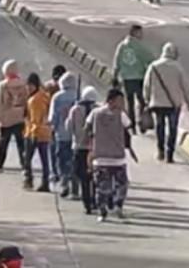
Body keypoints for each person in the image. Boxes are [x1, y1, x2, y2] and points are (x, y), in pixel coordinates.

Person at [142, 42, 189, 163]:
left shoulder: (154, 66)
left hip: (157, 103)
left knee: (160, 127)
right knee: (172, 128)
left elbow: (146, 84)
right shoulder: (177, 67)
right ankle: (169, 154)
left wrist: (147, 99)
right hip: (174, 104)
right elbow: (185, 86)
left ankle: (160, 151)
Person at [86, 89, 131, 222]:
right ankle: (118, 207)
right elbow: (129, 126)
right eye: (120, 101)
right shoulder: (121, 115)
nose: (121, 104)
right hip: (117, 158)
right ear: (111, 100)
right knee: (121, 185)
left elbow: (86, 127)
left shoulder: (95, 112)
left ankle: (102, 211)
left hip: (100, 157)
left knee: (101, 187)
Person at [112, 24, 155, 133]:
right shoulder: (139, 46)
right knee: (142, 101)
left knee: (129, 102)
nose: (142, 35)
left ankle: (132, 126)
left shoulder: (121, 46)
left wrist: (115, 76)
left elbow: (117, 62)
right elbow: (150, 58)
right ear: (135, 33)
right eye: (140, 32)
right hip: (139, 77)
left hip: (126, 78)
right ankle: (141, 123)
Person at [66, 86, 100, 213]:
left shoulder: (75, 109)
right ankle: (95, 200)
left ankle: (87, 204)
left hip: (79, 148)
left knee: (83, 179)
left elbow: (68, 127)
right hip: (95, 149)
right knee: (95, 177)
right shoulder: (98, 110)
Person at [0, 59, 29, 172]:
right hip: (20, 118)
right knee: (21, 143)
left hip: (6, 118)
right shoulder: (23, 84)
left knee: (3, 143)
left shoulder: (2, 86)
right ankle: (24, 165)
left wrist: (0, 117)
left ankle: (0, 164)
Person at [48, 72, 79, 197]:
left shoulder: (57, 97)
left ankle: (64, 182)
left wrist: (52, 127)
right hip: (76, 136)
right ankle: (75, 188)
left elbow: (53, 117)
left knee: (61, 159)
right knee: (75, 161)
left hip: (61, 134)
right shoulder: (79, 96)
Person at [23, 73, 52, 192]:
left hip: (35, 133)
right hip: (46, 132)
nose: (28, 88)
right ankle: (45, 182)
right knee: (44, 160)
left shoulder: (34, 100)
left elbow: (35, 119)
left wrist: (33, 134)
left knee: (27, 158)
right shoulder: (45, 96)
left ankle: (29, 180)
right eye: (28, 85)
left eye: (30, 85)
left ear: (35, 85)